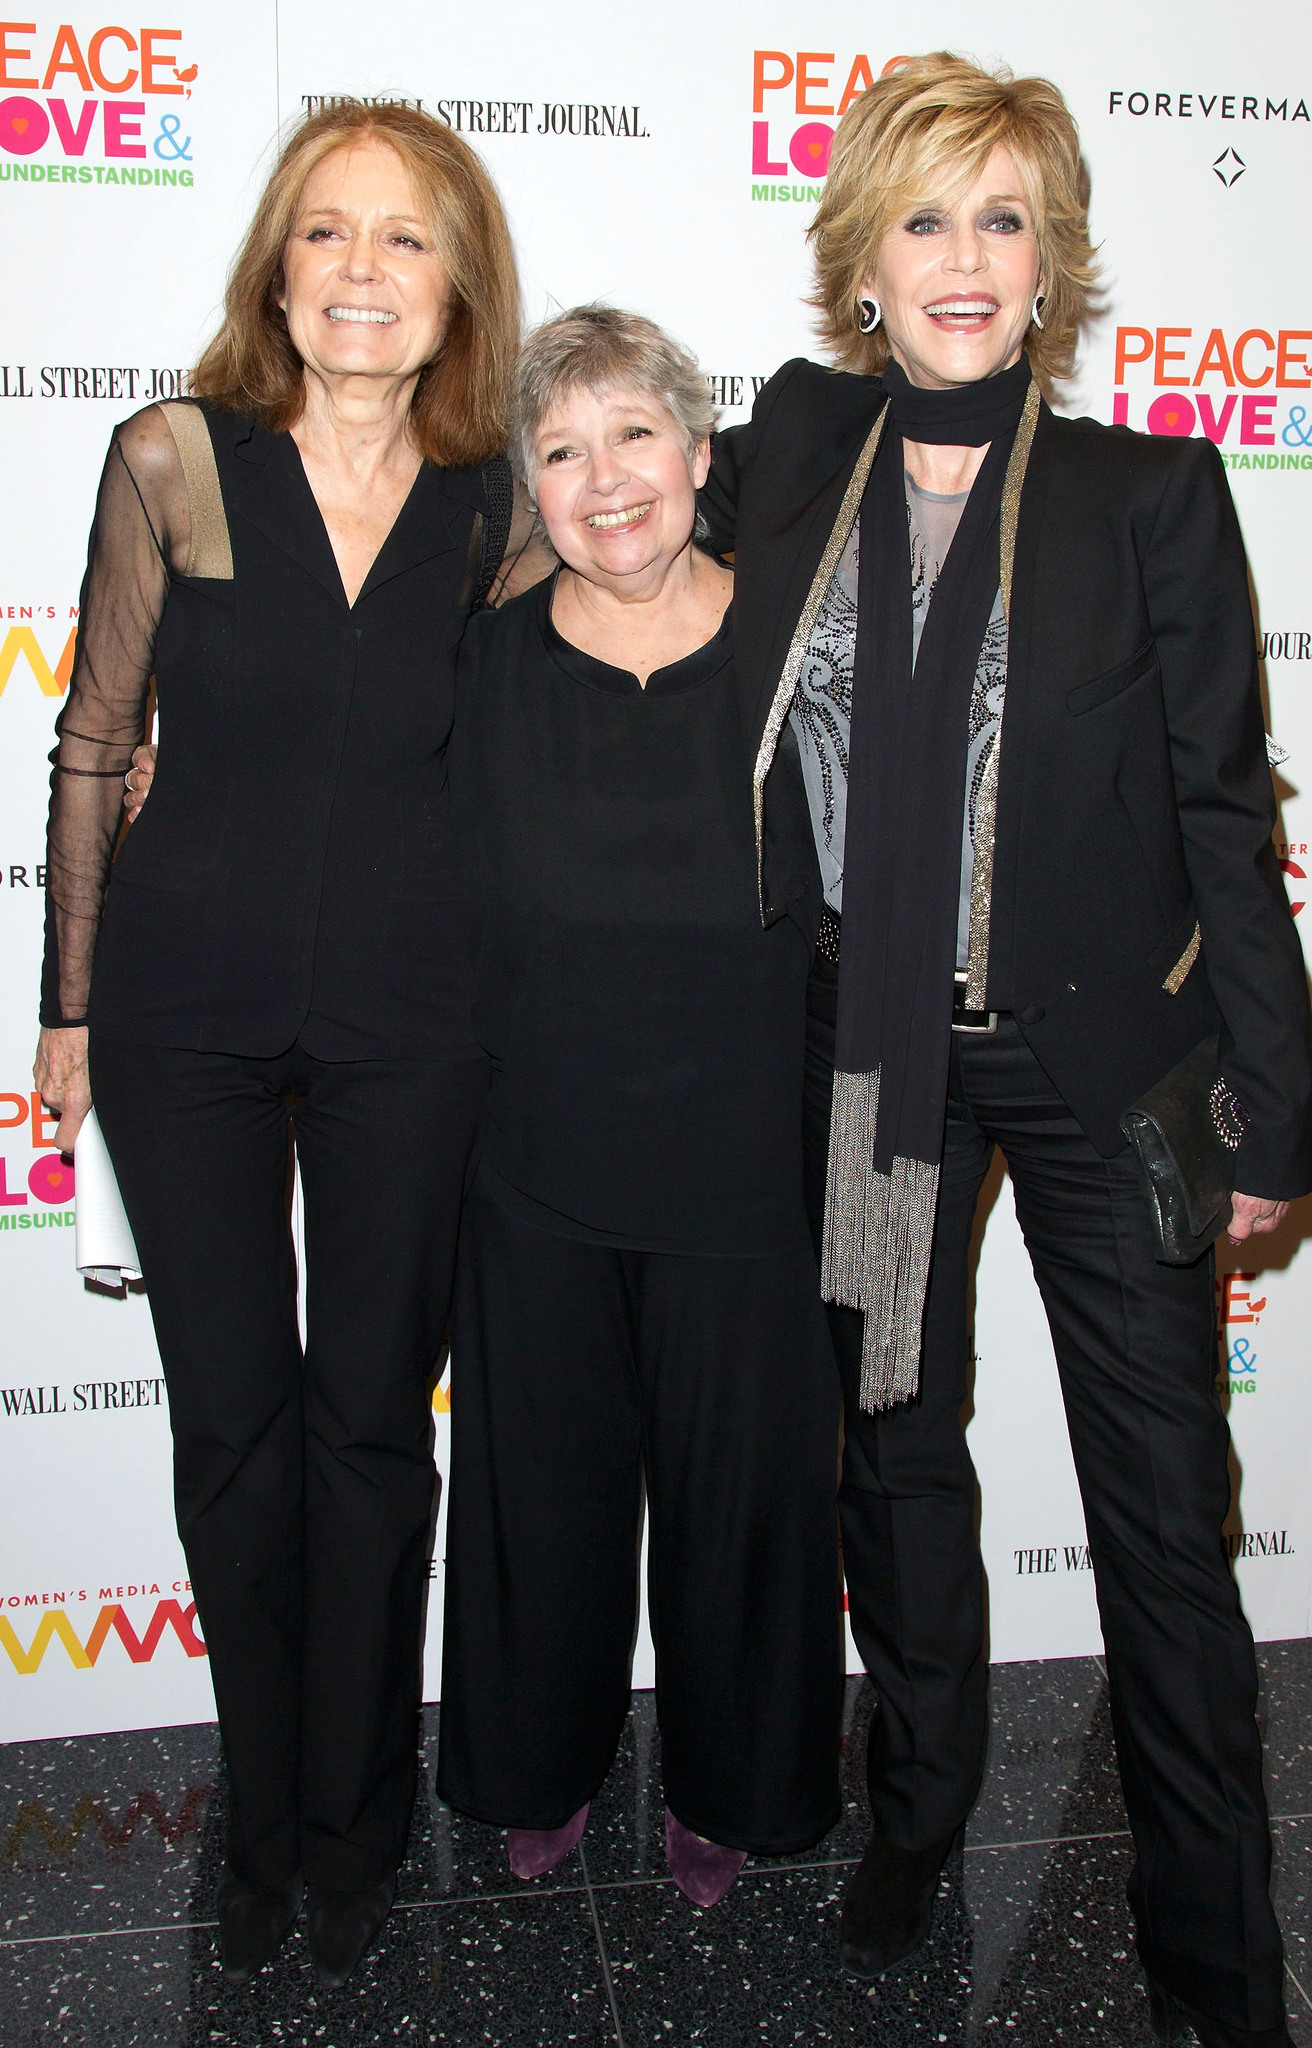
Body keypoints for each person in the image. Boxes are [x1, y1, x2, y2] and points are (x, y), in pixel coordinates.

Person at [698, 56, 1312, 2048]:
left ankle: (1215, 1934)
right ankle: (918, 1810)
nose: (963, 258)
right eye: (923, 216)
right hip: (870, 1068)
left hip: (1112, 1071)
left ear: (1046, 257)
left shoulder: (1149, 493)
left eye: (1002, 216)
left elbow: (1224, 814)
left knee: (1159, 1499)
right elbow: (585, 546)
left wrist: (1270, 1101)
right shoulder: (788, 448)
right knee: (890, 1447)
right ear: (859, 258)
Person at [34, 102, 524, 1990]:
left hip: (421, 1016)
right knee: (235, 1430)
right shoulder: (173, 457)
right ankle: (258, 1828)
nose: (364, 273)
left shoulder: (495, 498)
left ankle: (358, 1824)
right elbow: (94, 734)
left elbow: (537, 742)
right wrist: (65, 1001)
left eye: (407, 239)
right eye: (329, 234)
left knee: (368, 1432)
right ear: (275, 261)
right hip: (185, 1014)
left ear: (455, 275)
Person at [435, 306, 844, 1905]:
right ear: (528, 488)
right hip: (531, 1161)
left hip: (750, 1170)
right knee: (542, 1493)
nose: (604, 481)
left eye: (632, 437)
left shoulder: (803, 653)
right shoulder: (474, 670)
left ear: (696, 451)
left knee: (748, 1507)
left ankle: (734, 1788)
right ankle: (535, 1768)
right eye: (559, 449)